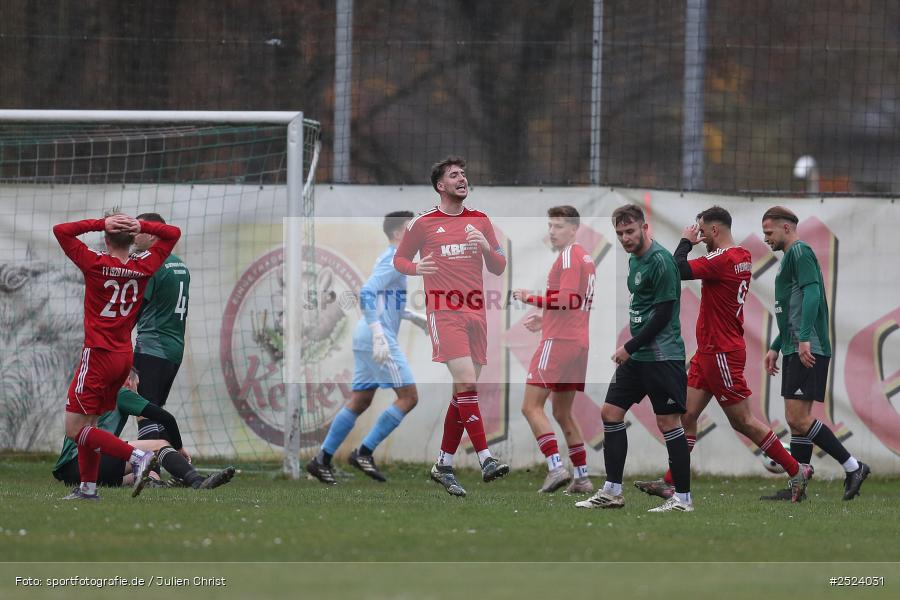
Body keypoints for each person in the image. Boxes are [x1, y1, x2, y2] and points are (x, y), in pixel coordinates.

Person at [633, 206, 809, 502]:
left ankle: (795, 469)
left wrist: (686, 241)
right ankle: (671, 482)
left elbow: (676, 270)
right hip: (709, 351)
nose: (700, 236)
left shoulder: (722, 258)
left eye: (702, 231)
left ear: (715, 230)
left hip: (721, 353)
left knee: (743, 421)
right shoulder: (742, 255)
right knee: (686, 415)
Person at [394, 156, 509, 497]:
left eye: (464, 174)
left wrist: (487, 246)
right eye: (454, 175)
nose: (462, 178)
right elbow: (400, 259)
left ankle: (443, 464)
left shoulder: (481, 221)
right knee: (466, 383)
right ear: (440, 186)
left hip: (476, 313)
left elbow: (499, 266)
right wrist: (417, 269)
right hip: (444, 313)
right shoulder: (424, 224)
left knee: (463, 392)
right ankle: (486, 457)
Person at [53, 211, 180, 500]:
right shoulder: (145, 265)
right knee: (92, 425)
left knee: (75, 429)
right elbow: (173, 233)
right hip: (123, 357)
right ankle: (88, 488)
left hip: (98, 355)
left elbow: (61, 229)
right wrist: (143, 225)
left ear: (106, 237)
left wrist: (100, 222)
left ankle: (137, 457)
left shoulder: (95, 263)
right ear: (134, 237)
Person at [576, 204, 693, 512]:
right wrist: (633, 349)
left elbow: (664, 314)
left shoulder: (661, 261)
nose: (625, 238)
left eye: (630, 231)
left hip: (662, 355)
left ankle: (683, 499)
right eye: (619, 233)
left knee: (669, 423)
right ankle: (613, 491)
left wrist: (628, 346)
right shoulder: (634, 260)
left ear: (644, 227)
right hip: (639, 355)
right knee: (611, 412)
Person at [305, 211, 427, 484]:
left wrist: (413, 317)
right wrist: (379, 335)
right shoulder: (396, 259)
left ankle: (321, 460)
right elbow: (367, 294)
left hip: (367, 337)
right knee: (409, 397)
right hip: (376, 338)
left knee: (360, 400)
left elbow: (385, 300)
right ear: (398, 234)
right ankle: (364, 452)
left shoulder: (393, 258)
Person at [760, 206, 869, 501]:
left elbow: (812, 295)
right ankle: (799, 488)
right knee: (796, 418)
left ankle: (854, 466)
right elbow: (792, 310)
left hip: (807, 346)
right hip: (795, 343)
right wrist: (775, 346)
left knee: (798, 417)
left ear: (786, 228)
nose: (765, 238)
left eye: (769, 232)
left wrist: (805, 339)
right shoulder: (790, 258)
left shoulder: (799, 252)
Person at [513, 206, 595, 494]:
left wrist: (531, 298)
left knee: (530, 406)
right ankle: (582, 477)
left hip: (559, 342)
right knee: (562, 412)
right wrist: (545, 317)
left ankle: (556, 467)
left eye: (558, 226)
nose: (552, 231)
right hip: (578, 343)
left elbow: (569, 299)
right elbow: (574, 302)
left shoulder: (571, 255)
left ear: (574, 229)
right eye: (550, 225)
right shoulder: (584, 256)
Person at [52, 368, 236, 495]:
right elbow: (167, 418)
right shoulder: (122, 392)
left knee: (137, 473)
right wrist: (178, 448)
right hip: (86, 463)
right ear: (128, 381)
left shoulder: (98, 391)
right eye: (136, 385)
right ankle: (196, 480)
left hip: (71, 473)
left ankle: (159, 483)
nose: (136, 391)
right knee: (159, 446)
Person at [131, 213, 190, 445]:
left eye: (139, 229)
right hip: (174, 350)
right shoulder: (180, 265)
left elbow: (134, 311)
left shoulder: (153, 265)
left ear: (154, 234)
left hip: (152, 348)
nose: (134, 235)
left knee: (145, 411)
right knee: (157, 410)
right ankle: (177, 465)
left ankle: (151, 471)